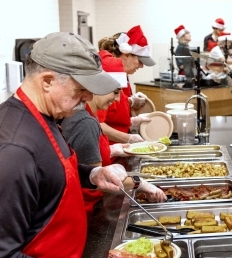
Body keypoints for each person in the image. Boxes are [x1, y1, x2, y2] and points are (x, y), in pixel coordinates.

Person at [0, 33, 136, 258]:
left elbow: (48, 170)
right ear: (47, 81)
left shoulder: (44, 117)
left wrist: (93, 174)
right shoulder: (11, 151)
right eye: (81, 88)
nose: (88, 96)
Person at [61, 63, 166, 218]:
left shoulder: (87, 116)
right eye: (115, 93)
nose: (117, 100)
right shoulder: (85, 122)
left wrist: (111, 150)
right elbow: (99, 180)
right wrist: (139, 184)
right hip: (87, 208)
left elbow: (81, 160)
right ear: (98, 89)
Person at [98, 26, 156, 144]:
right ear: (126, 54)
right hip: (109, 145)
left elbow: (114, 106)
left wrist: (130, 104)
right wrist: (128, 139)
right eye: (140, 61)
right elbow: (98, 123)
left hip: (119, 141)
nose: (141, 66)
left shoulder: (123, 74)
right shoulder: (108, 73)